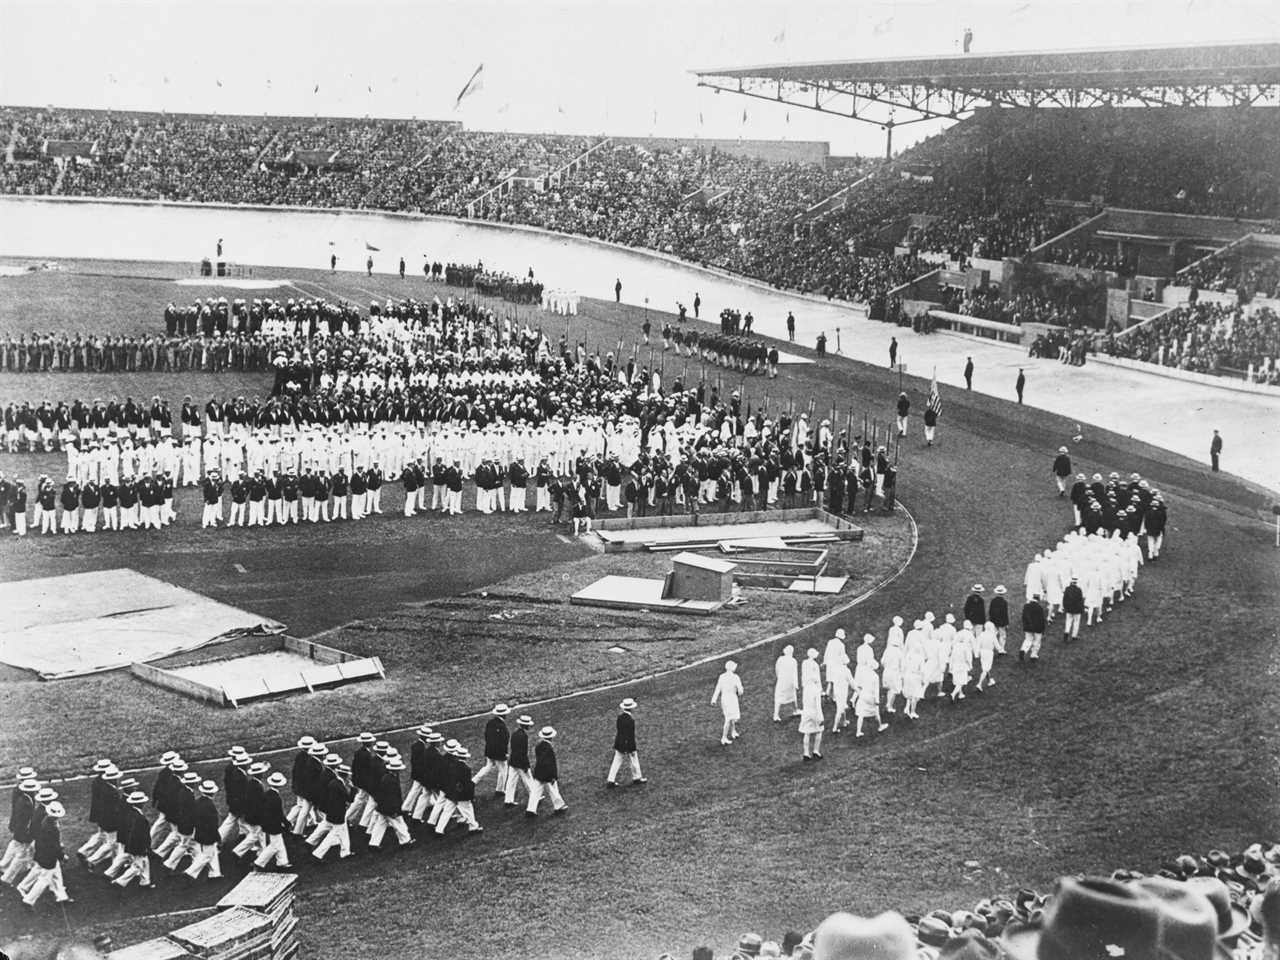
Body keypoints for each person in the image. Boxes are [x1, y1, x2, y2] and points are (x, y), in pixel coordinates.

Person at [20, 801, 70, 908]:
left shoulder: (45, 821)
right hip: (49, 857)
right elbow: (55, 847)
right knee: (44, 880)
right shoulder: (53, 828)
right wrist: (62, 856)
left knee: (55, 874)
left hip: (41, 853)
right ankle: (29, 900)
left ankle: (61, 896)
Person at [527, 726, 568, 817]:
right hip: (546, 774)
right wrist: (553, 776)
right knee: (553, 789)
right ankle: (558, 806)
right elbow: (549, 764)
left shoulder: (539, 746)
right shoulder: (548, 748)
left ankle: (530, 809)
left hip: (538, 772)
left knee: (535, 791)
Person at [473, 704, 511, 797]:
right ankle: (500, 789)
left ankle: (473, 781)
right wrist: (504, 753)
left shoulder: (490, 723)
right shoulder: (502, 727)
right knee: (504, 771)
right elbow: (503, 742)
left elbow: (487, 736)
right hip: (499, 753)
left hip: (489, 750)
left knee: (487, 767)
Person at [606, 698, 646, 787]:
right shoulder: (630, 721)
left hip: (619, 743)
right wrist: (631, 748)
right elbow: (630, 736)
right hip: (627, 744)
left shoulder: (620, 718)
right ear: (631, 708)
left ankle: (610, 780)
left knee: (616, 761)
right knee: (634, 760)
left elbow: (621, 732)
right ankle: (637, 778)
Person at [503, 715, 535, 808]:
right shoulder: (524, 736)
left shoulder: (515, 733)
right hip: (520, 762)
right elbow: (523, 752)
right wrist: (525, 765)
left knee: (511, 781)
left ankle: (508, 800)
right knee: (528, 779)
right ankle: (535, 796)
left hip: (513, 761)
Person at [798, 649, 825, 760]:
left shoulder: (806, 689)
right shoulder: (816, 690)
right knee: (819, 730)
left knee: (807, 732)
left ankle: (806, 753)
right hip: (814, 712)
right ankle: (816, 751)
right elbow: (818, 705)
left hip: (806, 711)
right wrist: (821, 716)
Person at [711, 660, 743, 746]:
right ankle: (724, 738)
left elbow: (718, 689)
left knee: (731, 717)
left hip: (724, 699)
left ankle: (733, 731)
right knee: (729, 719)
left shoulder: (722, 677)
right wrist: (739, 692)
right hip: (732, 699)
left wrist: (714, 699)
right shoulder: (735, 677)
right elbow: (741, 691)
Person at [772, 644, 800, 722]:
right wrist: (796, 684)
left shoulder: (780, 659)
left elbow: (777, 669)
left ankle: (776, 715)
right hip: (790, 682)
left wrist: (779, 677)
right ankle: (796, 710)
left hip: (781, 681)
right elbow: (795, 674)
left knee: (778, 697)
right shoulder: (793, 661)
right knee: (793, 696)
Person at [1020, 593, 1046, 661]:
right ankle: (1033, 655)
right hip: (1037, 628)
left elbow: (1024, 617)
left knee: (1028, 640)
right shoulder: (1039, 608)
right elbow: (1042, 619)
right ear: (1038, 599)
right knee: (1037, 641)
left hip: (1028, 627)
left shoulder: (1026, 606)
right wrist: (1043, 629)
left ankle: (1023, 650)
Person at [1062, 575, 1085, 643]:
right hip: (1077, 610)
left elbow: (1064, 599)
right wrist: (1082, 609)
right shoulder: (1079, 590)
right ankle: (1074, 636)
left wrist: (1065, 607)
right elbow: (1081, 600)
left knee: (1068, 622)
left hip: (1069, 609)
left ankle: (1066, 635)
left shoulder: (1067, 589)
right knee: (1076, 623)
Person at [988, 585, 1009, 654]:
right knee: (1002, 636)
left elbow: (990, 611)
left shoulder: (993, 601)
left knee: (993, 634)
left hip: (994, 620)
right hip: (1002, 622)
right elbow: (1005, 614)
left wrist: (991, 619)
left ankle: (990, 647)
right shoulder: (1004, 602)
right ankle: (1001, 649)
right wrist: (1006, 623)